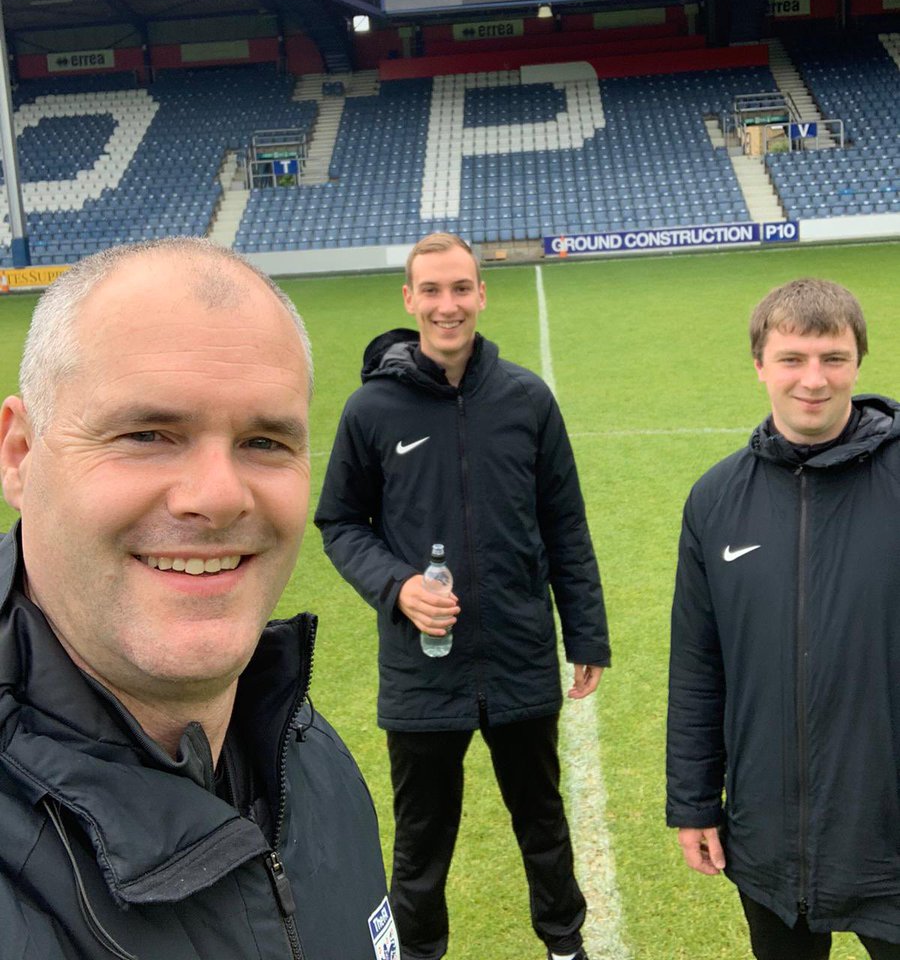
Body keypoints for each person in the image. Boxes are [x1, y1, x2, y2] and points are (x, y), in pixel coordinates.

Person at [0, 237, 395, 960]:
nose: (217, 496)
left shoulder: (303, 743)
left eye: (265, 442)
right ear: (20, 454)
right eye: (148, 433)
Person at [315, 232, 610, 960]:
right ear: (409, 299)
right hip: (422, 670)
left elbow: (563, 521)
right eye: (433, 291)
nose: (448, 305)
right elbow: (341, 522)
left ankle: (565, 945)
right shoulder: (371, 410)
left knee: (543, 820)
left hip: (518, 654)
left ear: (482, 293)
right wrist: (398, 586)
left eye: (461, 288)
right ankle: (420, 953)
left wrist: (587, 634)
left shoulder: (527, 400)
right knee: (421, 839)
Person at [667, 277, 900, 959]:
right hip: (770, 836)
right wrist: (693, 802)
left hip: (888, 830)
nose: (814, 380)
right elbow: (698, 663)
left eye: (833, 358)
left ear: (858, 362)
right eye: (793, 359)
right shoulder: (715, 500)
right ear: (760, 365)